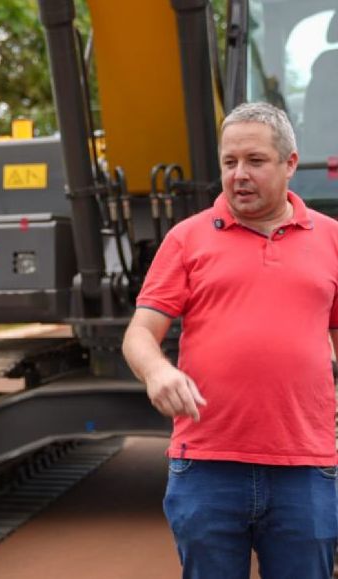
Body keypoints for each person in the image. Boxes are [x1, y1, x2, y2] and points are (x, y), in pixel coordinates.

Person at [122, 101, 338, 578]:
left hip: (305, 466)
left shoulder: (331, 239)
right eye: (229, 162)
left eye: (255, 161)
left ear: (290, 164)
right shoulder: (186, 239)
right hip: (207, 465)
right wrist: (157, 370)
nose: (239, 174)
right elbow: (140, 332)